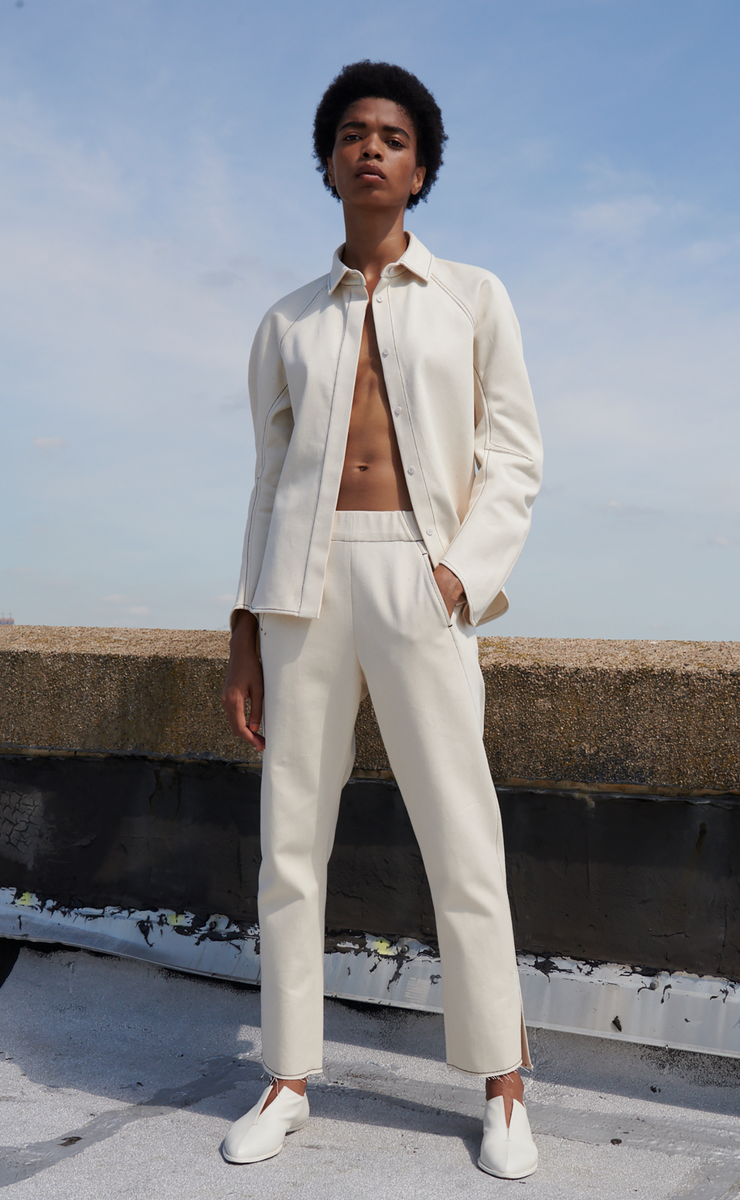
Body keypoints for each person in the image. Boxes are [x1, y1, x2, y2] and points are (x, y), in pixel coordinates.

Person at [220, 60, 542, 1180]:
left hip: (421, 570)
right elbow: (266, 481)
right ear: (327, 162)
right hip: (302, 588)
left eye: (392, 136)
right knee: (289, 843)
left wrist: (457, 574)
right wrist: (245, 627)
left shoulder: (476, 299)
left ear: (420, 166)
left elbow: (515, 457)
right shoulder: (287, 321)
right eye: (352, 132)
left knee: (464, 830)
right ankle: (288, 1074)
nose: (371, 148)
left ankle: (503, 1081)